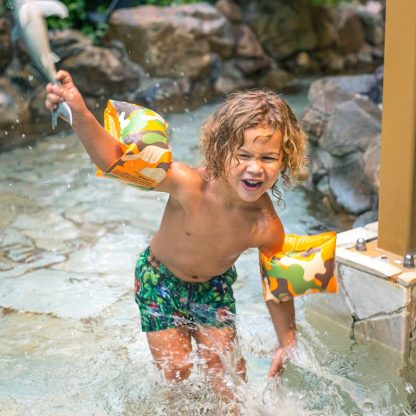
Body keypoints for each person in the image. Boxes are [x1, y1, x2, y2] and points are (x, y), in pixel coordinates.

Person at [45, 70, 307, 402]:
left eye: (268, 158)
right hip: (160, 278)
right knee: (177, 373)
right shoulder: (189, 185)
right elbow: (114, 160)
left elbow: (277, 283)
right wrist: (80, 113)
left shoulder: (265, 224)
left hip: (213, 287)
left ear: (284, 160)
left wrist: (287, 340)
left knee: (228, 378)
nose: (255, 168)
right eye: (243, 155)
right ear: (220, 149)